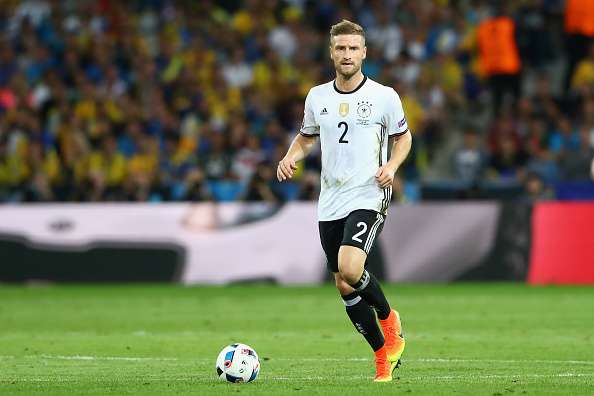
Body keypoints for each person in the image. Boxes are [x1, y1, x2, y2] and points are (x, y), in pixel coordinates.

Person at [276, 19, 412, 382]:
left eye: (354, 48)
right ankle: (382, 354)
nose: (347, 54)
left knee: (351, 268)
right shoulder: (317, 96)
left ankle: (389, 318)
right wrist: (291, 157)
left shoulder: (384, 96)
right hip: (330, 199)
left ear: (365, 52)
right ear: (331, 52)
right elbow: (307, 138)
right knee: (343, 284)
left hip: (368, 193)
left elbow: (404, 137)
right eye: (341, 48)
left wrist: (393, 166)